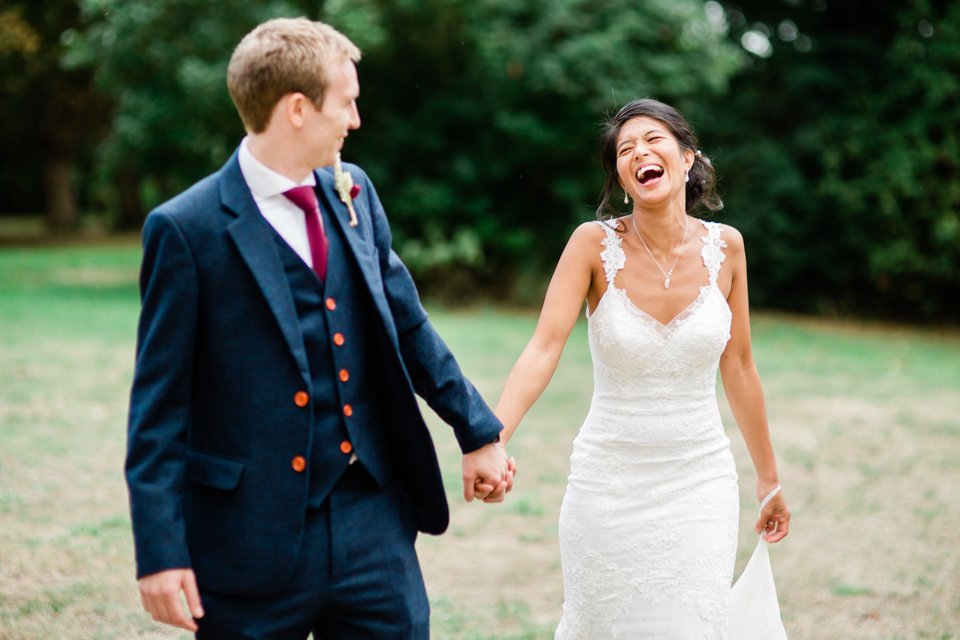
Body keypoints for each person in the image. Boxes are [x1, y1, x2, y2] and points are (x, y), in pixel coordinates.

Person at [125, 17, 513, 639]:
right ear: (298, 109)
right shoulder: (186, 229)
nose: (355, 119)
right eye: (348, 101)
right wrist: (160, 553)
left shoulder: (354, 191)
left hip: (372, 519)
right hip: (247, 535)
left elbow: (406, 323)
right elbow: (158, 405)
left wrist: (478, 432)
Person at [493, 98, 791, 637]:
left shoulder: (729, 249)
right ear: (623, 180)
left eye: (653, 140)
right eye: (624, 150)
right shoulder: (591, 244)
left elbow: (741, 368)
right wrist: (493, 437)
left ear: (687, 159)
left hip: (701, 480)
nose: (639, 153)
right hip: (606, 484)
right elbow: (543, 348)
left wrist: (769, 480)